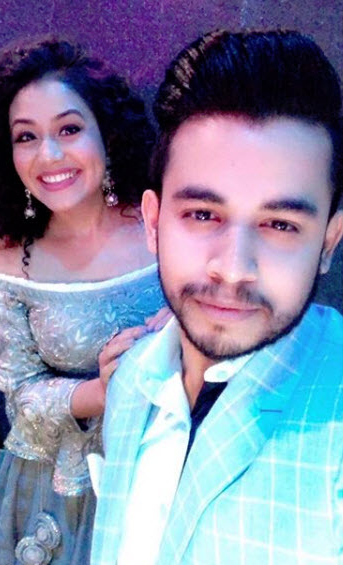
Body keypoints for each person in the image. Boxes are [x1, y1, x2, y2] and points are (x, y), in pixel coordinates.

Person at [91, 29, 343, 565]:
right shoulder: (132, 378)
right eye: (203, 214)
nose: (233, 268)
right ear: (154, 222)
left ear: (328, 242)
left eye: (280, 224)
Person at [0, 36, 166, 565]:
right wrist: (100, 391)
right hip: (60, 489)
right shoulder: (9, 261)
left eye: (69, 129)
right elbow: (21, 400)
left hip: (165, 461)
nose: (49, 155)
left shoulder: (165, 226)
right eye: (26, 136)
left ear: (106, 133)